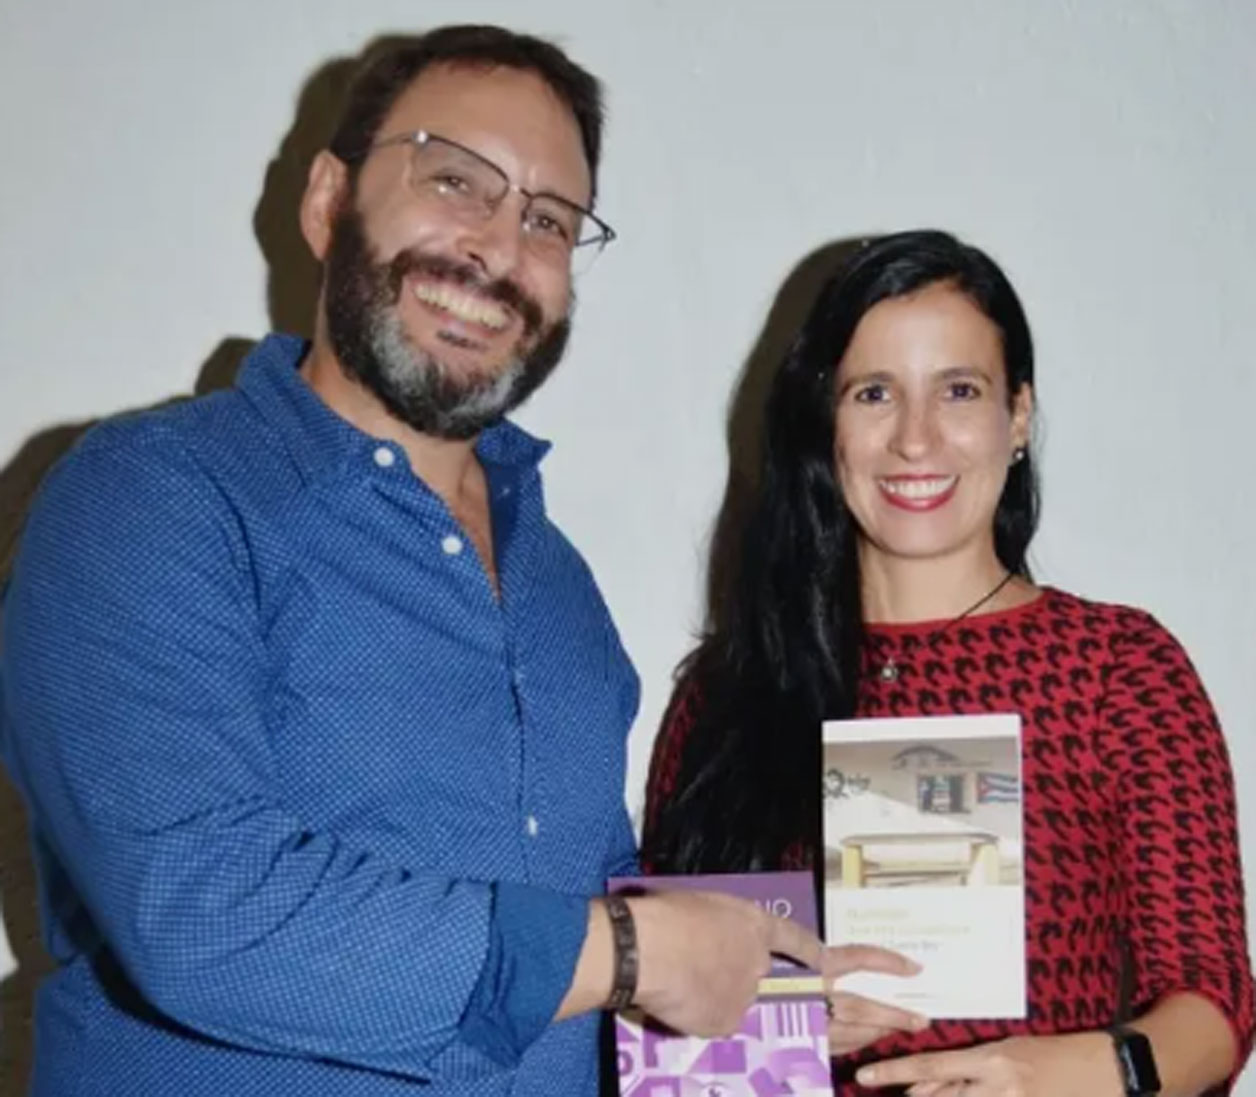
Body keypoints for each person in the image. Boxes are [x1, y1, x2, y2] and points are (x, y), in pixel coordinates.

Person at [0, 26, 824, 1097]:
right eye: (454, 180)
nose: (498, 249)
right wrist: (629, 952)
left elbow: (586, 900)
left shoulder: (557, 582)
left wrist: (766, 994)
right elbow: (200, 906)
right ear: (327, 201)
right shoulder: (149, 497)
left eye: (548, 219)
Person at [642, 229, 1254, 1096]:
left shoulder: (1116, 670)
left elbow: (1215, 1003)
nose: (916, 439)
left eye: (959, 390)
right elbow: (664, 1036)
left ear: (1019, 415)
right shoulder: (732, 693)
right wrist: (777, 1026)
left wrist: (1067, 1071)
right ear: (825, 422)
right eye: (874, 393)